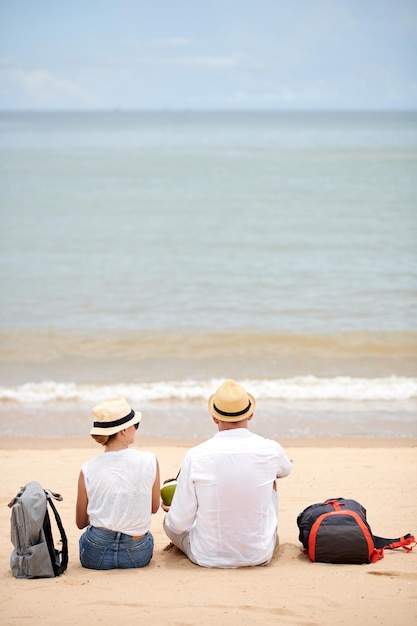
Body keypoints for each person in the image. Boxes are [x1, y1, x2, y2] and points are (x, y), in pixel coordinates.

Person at [162, 379, 291, 568]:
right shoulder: (270, 449)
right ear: (251, 414)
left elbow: (179, 524)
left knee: (175, 520)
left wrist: (173, 511)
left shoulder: (196, 455)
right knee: (272, 478)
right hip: (258, 554)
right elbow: (285, 470)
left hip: (207, 555)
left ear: (215, 418)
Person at [76, 396, 160, 569]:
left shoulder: (88, 469)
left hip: (95, 553)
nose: (136, 429)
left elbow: (80, 522)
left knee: (87, 536)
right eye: (135, 425)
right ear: (123, 430)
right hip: (137, 553)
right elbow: (153, 507)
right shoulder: (150, 460)